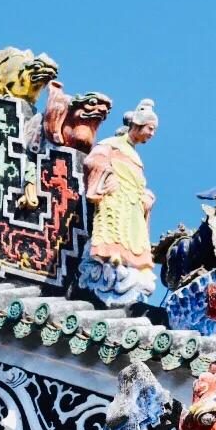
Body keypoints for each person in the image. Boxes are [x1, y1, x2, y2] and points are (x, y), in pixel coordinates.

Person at [78, 100, 159, 305]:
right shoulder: (112, 145)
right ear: (139, 124)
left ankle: (129, 275)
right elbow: (92, 161)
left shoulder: (133, 153)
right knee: (113, 240)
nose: (152, 134)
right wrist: (107, 175)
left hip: (132, 206)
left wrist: (145, 197)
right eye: (150, 129)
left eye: (154, 130)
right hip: (116, 204)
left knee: (135, 245)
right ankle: (112, 271)